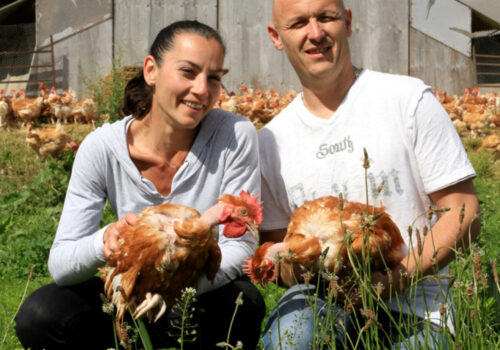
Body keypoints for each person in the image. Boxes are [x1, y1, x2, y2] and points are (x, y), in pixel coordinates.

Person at [14, 20, 265, 350]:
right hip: (129, 292)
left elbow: (242, 246)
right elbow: (61, 263)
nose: (203, 89)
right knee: (40, 314)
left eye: (214, 77)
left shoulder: (235, 134)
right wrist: (104, 241)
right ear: (151, 71)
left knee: (243, 302)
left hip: (200, 292)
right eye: (188, 72)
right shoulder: (102, 147)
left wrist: (175, 288)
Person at [258, 0, 481, 349]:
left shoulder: (406, 98)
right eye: (299, 23)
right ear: (276, 36)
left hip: (415, 306)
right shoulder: (270, 140)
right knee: (293, 341)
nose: (315, 33)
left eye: (326, 17)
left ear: (346, 21)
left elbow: (463, 211)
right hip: (321, 302)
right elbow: (279, 248)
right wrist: (285, 260)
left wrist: (394, 279)